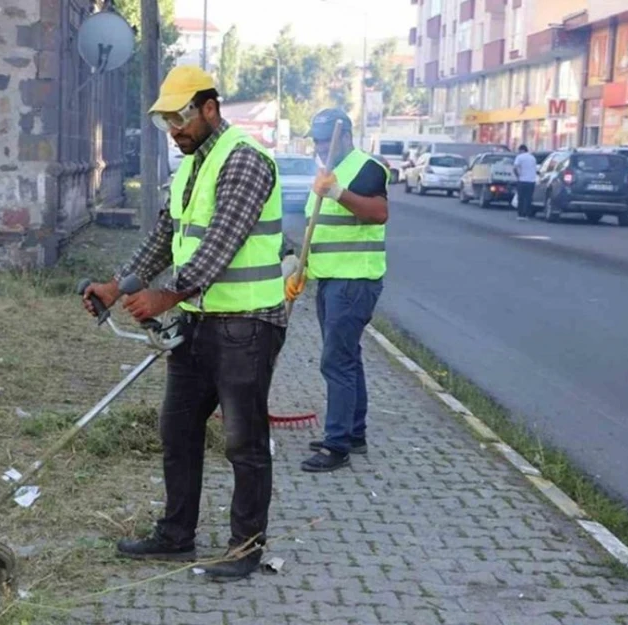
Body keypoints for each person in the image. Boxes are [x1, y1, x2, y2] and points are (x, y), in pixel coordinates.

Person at [82, 65, 286, 581]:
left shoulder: (245, 161)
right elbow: (163, 237)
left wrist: (164, 295)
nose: (174, 129)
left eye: (181, 117)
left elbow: (220, 244)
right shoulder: (193, 167)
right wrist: (118, 285)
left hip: (247, 324)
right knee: (177, 429)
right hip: (198, 322)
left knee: (244, 441)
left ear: (209, 108)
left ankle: (243, 549)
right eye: (166, 121)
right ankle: (176, 535)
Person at [284, 109, 389, 473]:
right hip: (331, 280)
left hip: (354, 281)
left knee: (336, 361)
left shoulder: (366, 168)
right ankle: (354, 434)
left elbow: (378, 213)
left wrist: (339, 192)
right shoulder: (327, 171)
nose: (321, 146)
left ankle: (337, 445)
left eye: (327, 139)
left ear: (346, 137)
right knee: (348, 357)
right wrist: (302, 270)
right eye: (317, 140)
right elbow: (321, 230)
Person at [513, 144, 538, 220]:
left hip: (522, 180)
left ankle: (520, 215)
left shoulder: (519, 157)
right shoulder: (533, 158)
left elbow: (515, 168)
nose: (519, 152)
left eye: (519, 151)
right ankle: (526, 214)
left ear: (522, 150)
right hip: (531, 181)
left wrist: (518, 176)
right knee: (528, 198)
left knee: (521, 198)